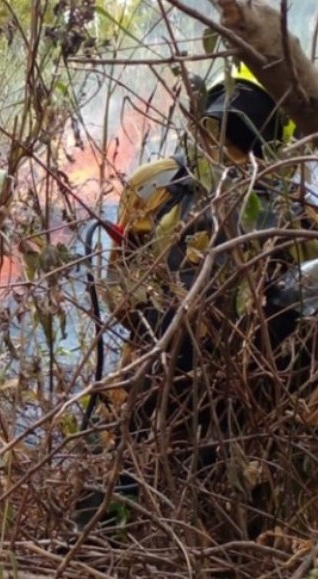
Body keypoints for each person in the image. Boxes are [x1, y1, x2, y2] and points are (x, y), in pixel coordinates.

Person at [101, 62, 318, 535]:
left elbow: (118, 292)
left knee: (119, 511)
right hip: (249, 420)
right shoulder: (298, 216)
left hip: (149, 393)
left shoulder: (153, 182)